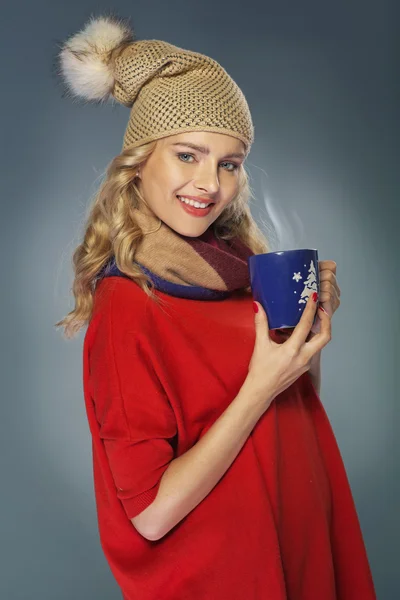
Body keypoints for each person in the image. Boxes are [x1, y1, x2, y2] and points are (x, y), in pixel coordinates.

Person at [55, 13, 377, 600]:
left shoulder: (238, 272)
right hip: (229, 575)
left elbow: (286, 416)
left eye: (229, 163)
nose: (210, 183)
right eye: (187, 154)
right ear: (139, 161)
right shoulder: (127, 305)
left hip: (295, 543)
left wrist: (305, 335)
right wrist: (260, 386)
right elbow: (149, 514)